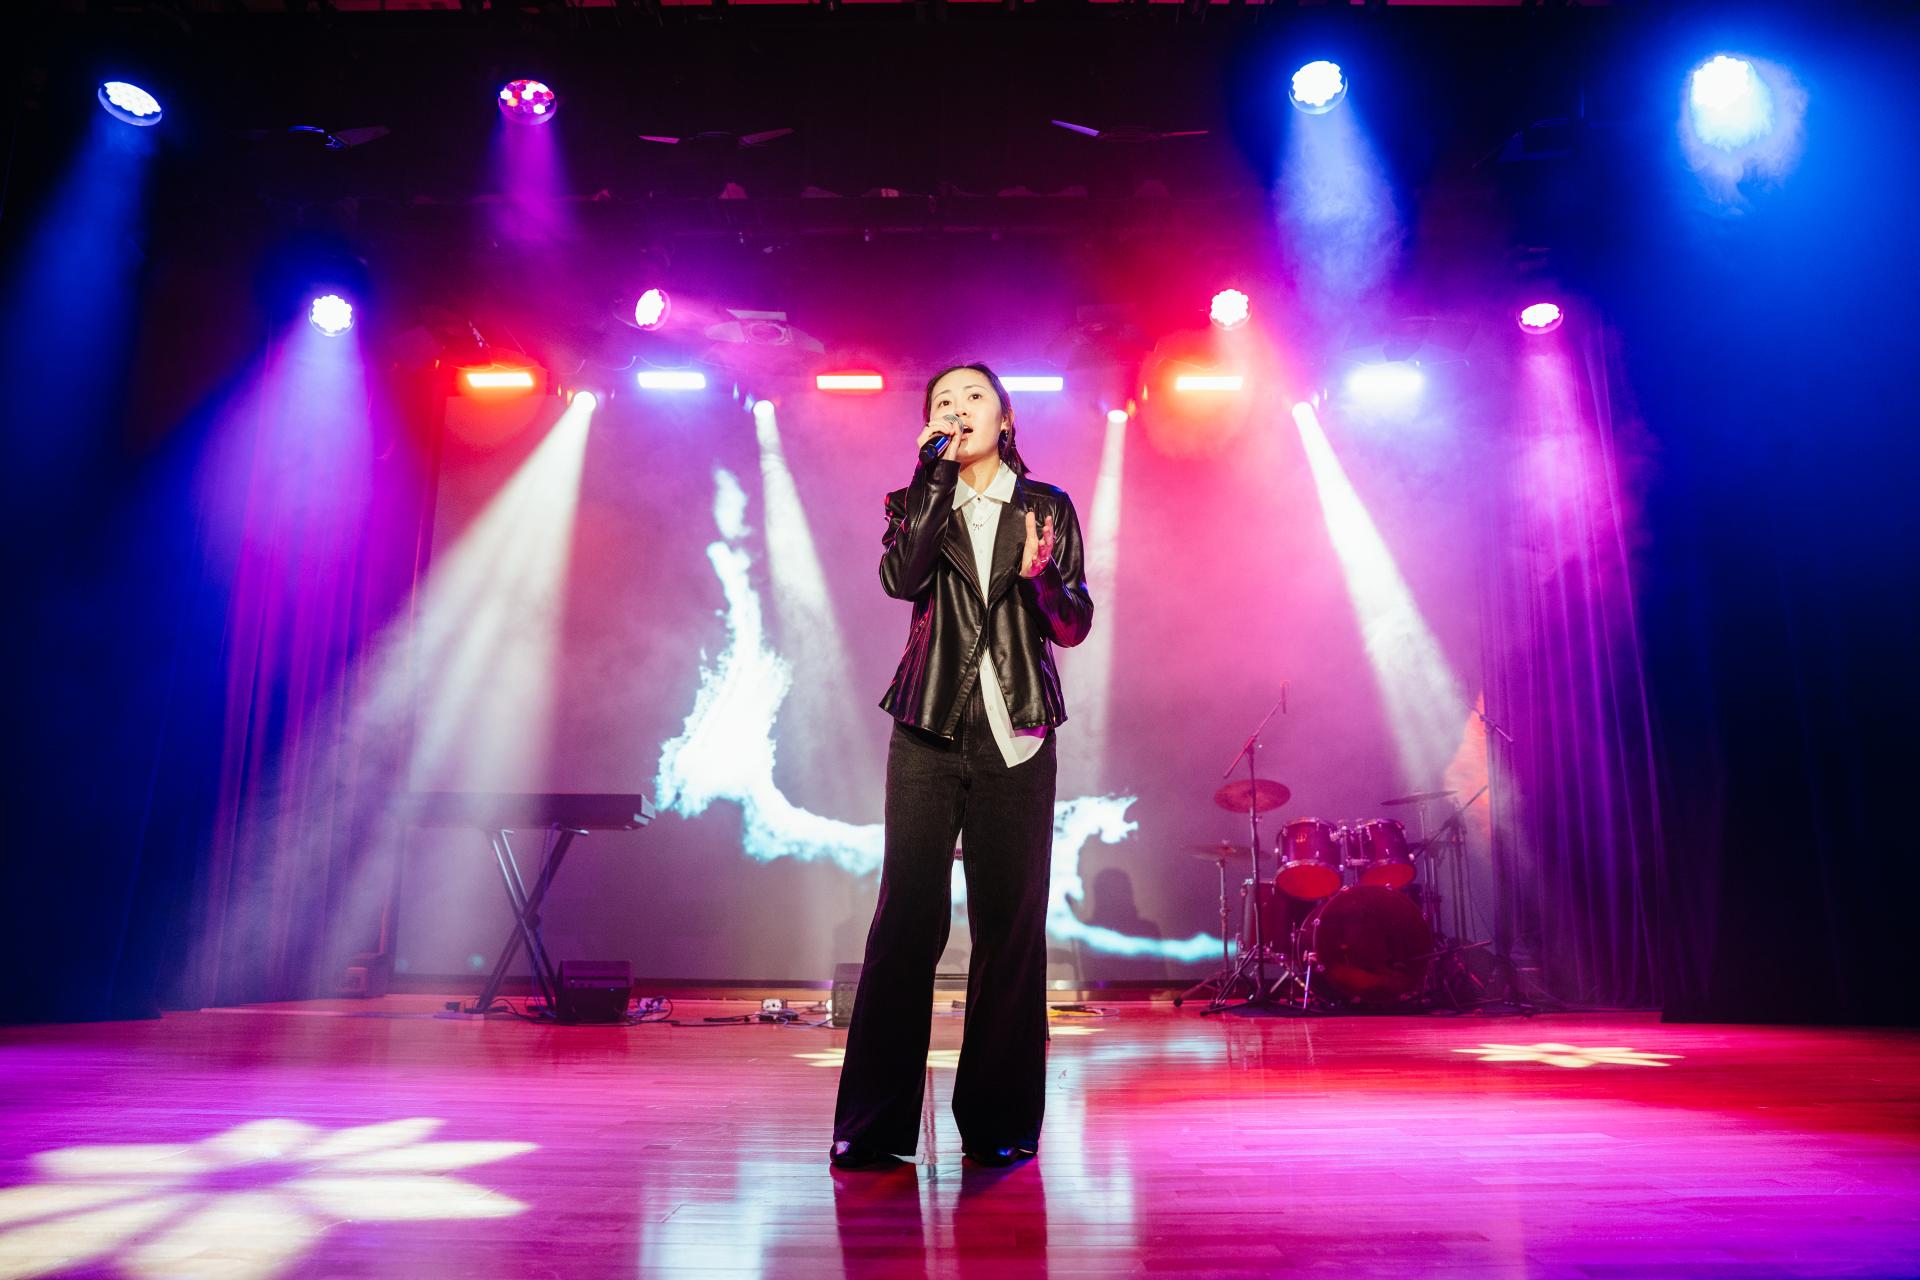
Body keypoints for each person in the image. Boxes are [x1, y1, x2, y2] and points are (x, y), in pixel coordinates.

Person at [829, 362, 1094, 1171]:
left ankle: (999, 1122)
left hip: (1018, 734)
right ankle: (873, 1126)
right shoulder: (915, 499)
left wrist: (1043, 580)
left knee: (1008, 932)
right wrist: (932, 478)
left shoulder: (1046, 505)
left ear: (1005, 419)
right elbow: (900, 579)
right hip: (928, 728)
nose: (957, 408)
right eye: (942, 400)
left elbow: (1074, 624)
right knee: (906, 922)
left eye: (972, 396)